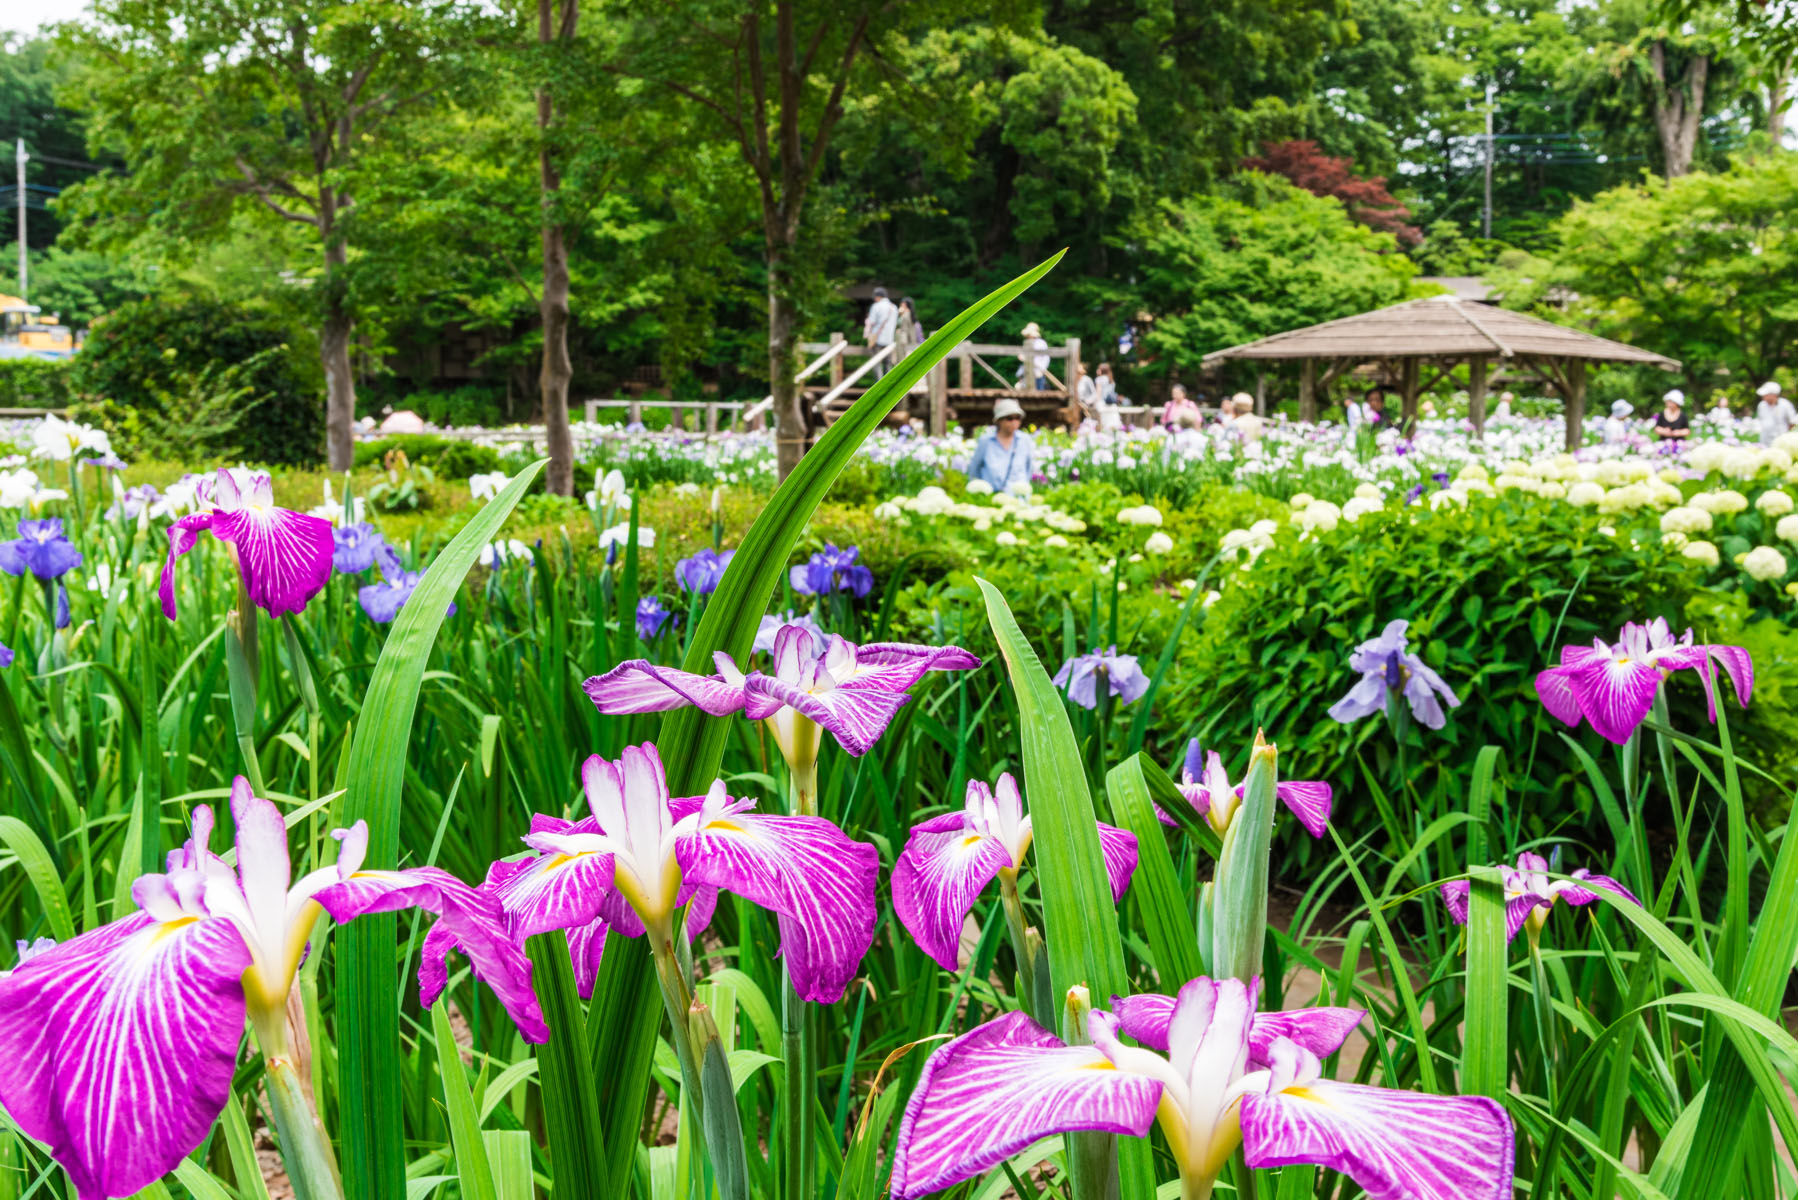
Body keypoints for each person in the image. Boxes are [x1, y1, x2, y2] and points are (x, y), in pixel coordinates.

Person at [966, 399, 1036, 492]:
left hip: (1019, 499)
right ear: (999, 420)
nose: (1014, 422)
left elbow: (1029, 468)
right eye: (1009, 418)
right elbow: (974, 469)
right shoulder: (986, 441)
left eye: (1018, 418)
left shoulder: (1024, 440)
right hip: (991, 498)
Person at [864, 287, 898, 379]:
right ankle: (888, 384)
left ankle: (878, 384)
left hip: (877, 339)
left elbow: (871, 321)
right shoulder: (894, 307)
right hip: (889, 340)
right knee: (888, 363)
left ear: (878, 297)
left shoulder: (876, 306)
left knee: (876, 363)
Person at [1019, 322, 1051, 390]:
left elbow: (1046, 358)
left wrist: (1042, 369)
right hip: (1028, 373)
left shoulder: (1040, 343)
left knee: (1039, 394)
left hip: (1038, 372)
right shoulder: (1027, 343)